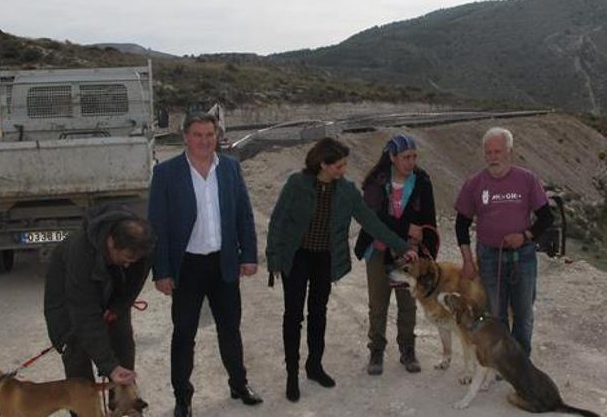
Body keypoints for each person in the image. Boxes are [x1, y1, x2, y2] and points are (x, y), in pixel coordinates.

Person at [266, 137, 419, 403]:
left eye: (344, 165)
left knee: (318, 313)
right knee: (293, 315)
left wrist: (401, 246)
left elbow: (371, 222)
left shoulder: (346, 191)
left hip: (325, 259)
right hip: (297, 257)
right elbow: (278, 221)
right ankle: (292, 374)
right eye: (338, 166)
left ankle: (314, 366)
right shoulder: (296, 184)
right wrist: (274, 258)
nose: (343, 171)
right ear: (322, 164)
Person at [149, 113, 262, 417]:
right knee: (184, 334)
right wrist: (161, 272)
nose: (204, 140)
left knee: (230, 329)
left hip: (223, 263)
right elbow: (156, 225)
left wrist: (249, 254)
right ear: (185, 137)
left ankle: (239, 385)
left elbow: (244, 215)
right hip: (186, 267)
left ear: (217, 136)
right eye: (197, 135)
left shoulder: (229, 168)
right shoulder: (166, 173)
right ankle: (183, 398)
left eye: (209, 134)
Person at [43, 204, 156, 410]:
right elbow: (84, 314)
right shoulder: (80, 252)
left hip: (111, 300)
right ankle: (85, 412)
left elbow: (133, 284)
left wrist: (118, 307)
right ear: (111, 243)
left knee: (123, 354)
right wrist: (108, 366)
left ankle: (124, 408)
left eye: (134, 260)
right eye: (126, 259)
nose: (129, 265)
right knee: (79, 371)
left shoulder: (141, 247)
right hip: (69, 309)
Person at [454, 127, 553, 357]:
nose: (492, 157)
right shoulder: (474, 184)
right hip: (489, 258)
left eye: (497, 151)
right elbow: (461, 225)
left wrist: (525, 236)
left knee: (523, 314)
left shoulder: (527, 179)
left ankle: (521, 362)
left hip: (523, 257)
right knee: (495, 314)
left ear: (509, 151)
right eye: (488, 152)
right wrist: (467, 261)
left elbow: (547, 217)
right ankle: (502, 362)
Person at [354, 133, 437, 375]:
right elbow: (373, 219)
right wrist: (405, 228)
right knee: (378, 303)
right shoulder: (376, 182)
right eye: (405, 157)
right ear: (392, 157)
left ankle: (407, 349)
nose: (411, 162)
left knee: (407, 302)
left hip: (410, 254)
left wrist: (428, 252)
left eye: (414, 157)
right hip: (378, 251)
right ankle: (376, 349)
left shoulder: (422, 181)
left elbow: (429, 220)